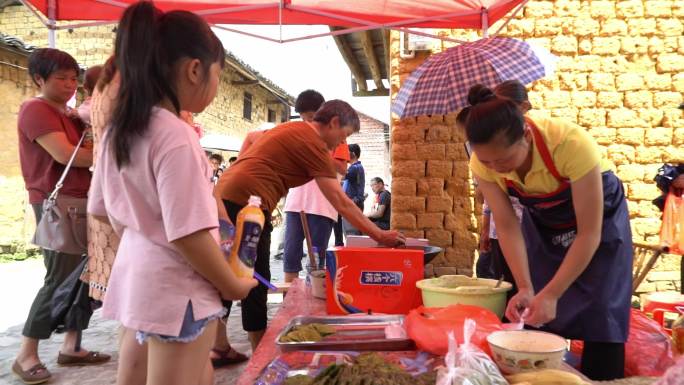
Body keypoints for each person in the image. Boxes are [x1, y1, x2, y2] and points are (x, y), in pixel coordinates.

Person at [87, 3, 257, 385]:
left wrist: (146, 231)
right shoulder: (176, 135)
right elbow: (188, 233)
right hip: (176, 290)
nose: (215, 87)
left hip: (136, 281)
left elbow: (99, 208)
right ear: (194, 69)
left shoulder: (121, 128)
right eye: (218, 76)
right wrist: (233, 285)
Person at [466, 83, 632, 380]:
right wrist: (525, 286)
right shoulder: (482, 162)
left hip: (599, 220)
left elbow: (588, 234)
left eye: (503, 160)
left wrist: (554, 292)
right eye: (487, 162)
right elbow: (505, 224)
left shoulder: (569, 143)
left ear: (526, 137)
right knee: (533, 308)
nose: (496, 169)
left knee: (602, 310)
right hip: (546, 219)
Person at [216, 100, 405, 349]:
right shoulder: (314, 142)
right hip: (245, 206)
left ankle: (220, 348)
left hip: (226, 195)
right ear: (334, 122)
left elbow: (252, 138)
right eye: (343, 136)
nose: (340, 145)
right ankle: (260, 356)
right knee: (253, 280)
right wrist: (380, 236)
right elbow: (341, 202)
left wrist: (247, 172)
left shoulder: (293, 128)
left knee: (225, 274)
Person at [14, 48, 109, 385]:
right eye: (61, 78)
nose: (70, 84)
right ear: (39, 79)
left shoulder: (70, 113)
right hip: (56, 202)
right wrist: (116, 147)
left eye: (74, 78)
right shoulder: (35, 109)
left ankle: (72, 345)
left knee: (90, 274)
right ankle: (26, 354)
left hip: (84, 200)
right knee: (58, 278)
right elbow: (67, 155)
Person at [283, 89, 350, 282]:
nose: (308, 124)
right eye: (304, 119)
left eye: (312, 118)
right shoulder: (296, 132)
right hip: (295, 204)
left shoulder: (337, 134)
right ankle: (290, 307)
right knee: (290, 258)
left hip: (322, 206)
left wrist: (316, 153)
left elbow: (342, 168)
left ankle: (312, 303)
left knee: (316, 264)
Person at [342, 143, 365, 236]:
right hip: (356, 202)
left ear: (353, 154)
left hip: (353, 203)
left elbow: (340, 175)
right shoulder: (358, 167)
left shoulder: (354, 168)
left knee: (351, 233)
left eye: (346, 152)